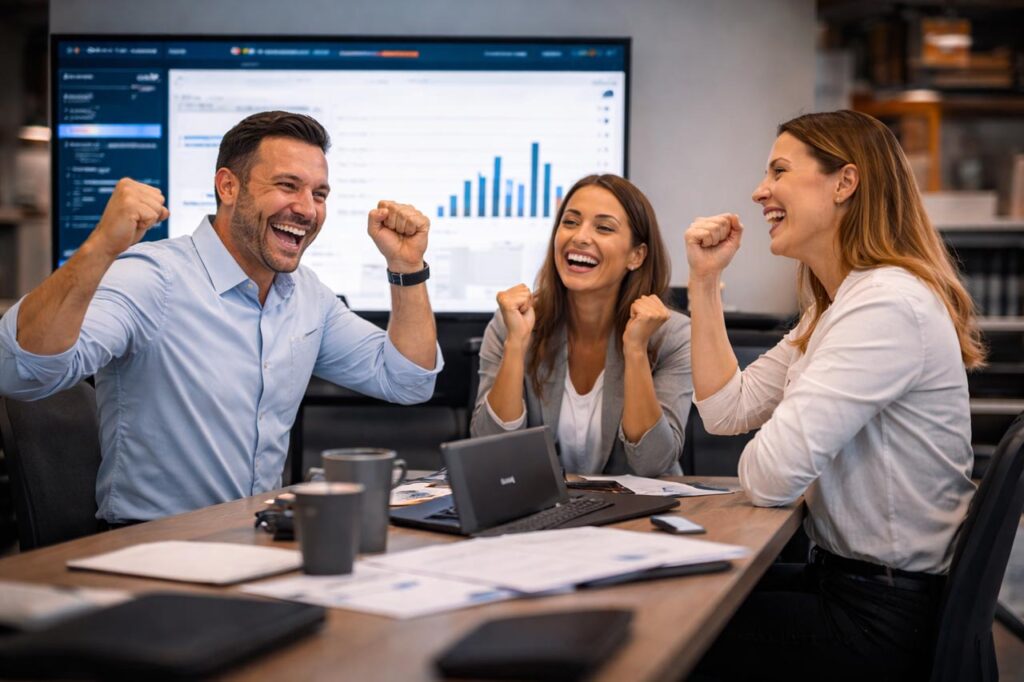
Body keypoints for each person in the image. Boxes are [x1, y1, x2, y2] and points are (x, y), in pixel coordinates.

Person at [0, 111, 442, 525]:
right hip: (153, 546)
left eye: (319, 194)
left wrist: (407, 267)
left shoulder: (307, 295)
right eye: (287, 185)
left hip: (257, 539)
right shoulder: (153, 277)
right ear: (228, 187)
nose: (307, 209)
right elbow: (21, 372)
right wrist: (102, 245)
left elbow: (408, 381)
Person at [687, 110, 984, 679]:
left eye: (779, 171)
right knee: (689, 596)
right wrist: (704, 281)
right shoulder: (839, 306)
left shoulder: (884, 305)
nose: (759, 191)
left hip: (879, 617)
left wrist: (776, 447)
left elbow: (770, 478)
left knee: (672, 630)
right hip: (854, 588)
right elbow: (726, 411)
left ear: (845, 182)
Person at [470, 174, 692, 476]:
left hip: (639, 506)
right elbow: (491, 451)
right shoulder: (513, 322)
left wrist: (636, 351)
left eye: (604, 227)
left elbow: (653, 463)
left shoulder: (673, 336)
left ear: (636, 256)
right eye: (571, 222)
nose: (580, 237)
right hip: (544, 504)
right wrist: (516, 345)